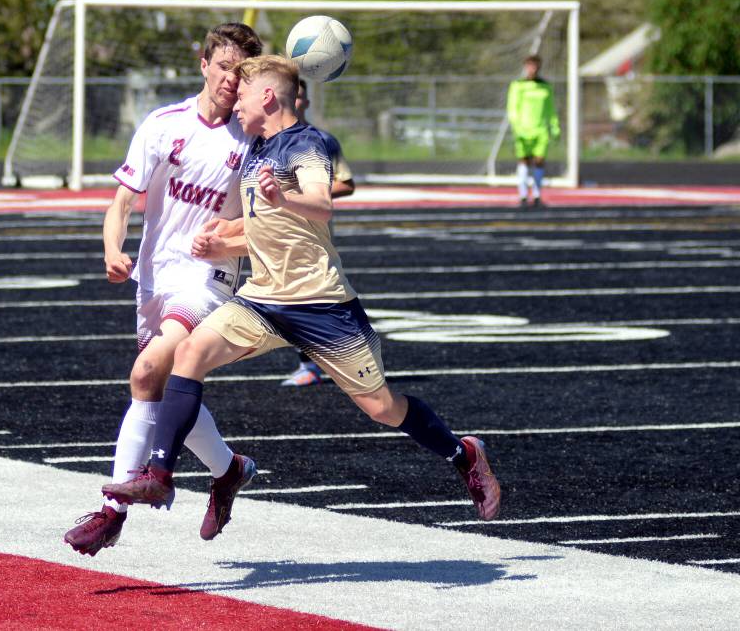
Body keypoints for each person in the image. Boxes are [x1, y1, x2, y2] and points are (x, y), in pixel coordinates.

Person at [102, 55, 501, 527]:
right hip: (263, 298)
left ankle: (464, 453)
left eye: (244, 93)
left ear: (267, 96)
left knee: (383, 407)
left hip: (321, 304)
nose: (236, 103)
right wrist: (224, 240)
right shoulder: (254, 148)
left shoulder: (306, 143)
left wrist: (281, 197)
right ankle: (160, 473)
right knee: (187, 354)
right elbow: (266, 227)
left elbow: (322, 205)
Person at [63, 23, 264, 557]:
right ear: (203, 64)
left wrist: (229, 244)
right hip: (153, 277)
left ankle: (113, 511)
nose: (231, 80)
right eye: (224, 68)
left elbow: (267, 227)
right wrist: (112, 250)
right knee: (169, 390)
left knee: (146, 373)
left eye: (242, 73)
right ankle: (229, 470)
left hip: (208, 282)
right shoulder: (162, 125)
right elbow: (122, 201)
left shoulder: (255, 140)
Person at [280, 77, 355, 387]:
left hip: (314, 236)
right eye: (290, 96)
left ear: (306, 102)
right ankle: (311, 362)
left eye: (299, 97)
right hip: (279, 236)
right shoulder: (267, 141)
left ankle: (317, 364)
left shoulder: (323, 140)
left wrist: (305, 195)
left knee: (314, 300)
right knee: (288, 301)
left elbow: (346, 183)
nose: (294, 103)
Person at [506, 54, 560, 208]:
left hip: (541, 131)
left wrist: (554, 126)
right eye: (529, 66)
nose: (532, 69)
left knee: (539, 161)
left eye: (535, 66)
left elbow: (551, 109)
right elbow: (512, 109)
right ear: (525, 67)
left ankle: (536, 196)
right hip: (523, 130)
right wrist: (517, 127)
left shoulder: (546, 87)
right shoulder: (518, 85)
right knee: (523, 161)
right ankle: (523, 196)